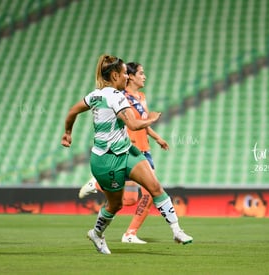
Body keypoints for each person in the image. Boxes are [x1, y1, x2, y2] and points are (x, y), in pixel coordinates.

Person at [61, 54, 193, 254]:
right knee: (116, 204)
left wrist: (68, 133)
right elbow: (133, 124)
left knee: (155, 187)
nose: (127, 77)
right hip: (107, 160)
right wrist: (152, 119)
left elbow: (72, 111)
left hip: (127, 151)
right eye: (124, 74)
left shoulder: (95, 95)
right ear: (115, 75)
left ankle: (176, 230)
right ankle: (97, 233)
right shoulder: (116, 96)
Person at [78, 62, 170, 244]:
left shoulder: (141, 96)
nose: (144, 77)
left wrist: (157, 137)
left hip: (146, 147)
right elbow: (129, 124)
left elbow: (142, 122)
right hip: (131, 151)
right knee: (150, 193)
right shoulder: (121, 97)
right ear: (131, 77)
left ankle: (98, 185)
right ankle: (129, 233)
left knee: (130, 200)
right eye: (140, 73)